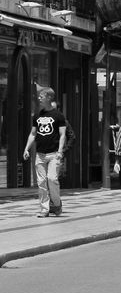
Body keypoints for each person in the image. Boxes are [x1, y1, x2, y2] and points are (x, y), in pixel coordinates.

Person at [22, 87, 67, 218]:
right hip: (40, 154)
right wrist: (26, 148)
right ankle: (44, 209)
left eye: (41, 96)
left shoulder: (58, 115)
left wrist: (60, 151)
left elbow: (63, 134)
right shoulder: (37, 115)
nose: (39, 98)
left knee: (52, 179)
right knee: (41, 182)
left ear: (49, 97)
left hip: (54, 154)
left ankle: (57, 204)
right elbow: (32, 133)